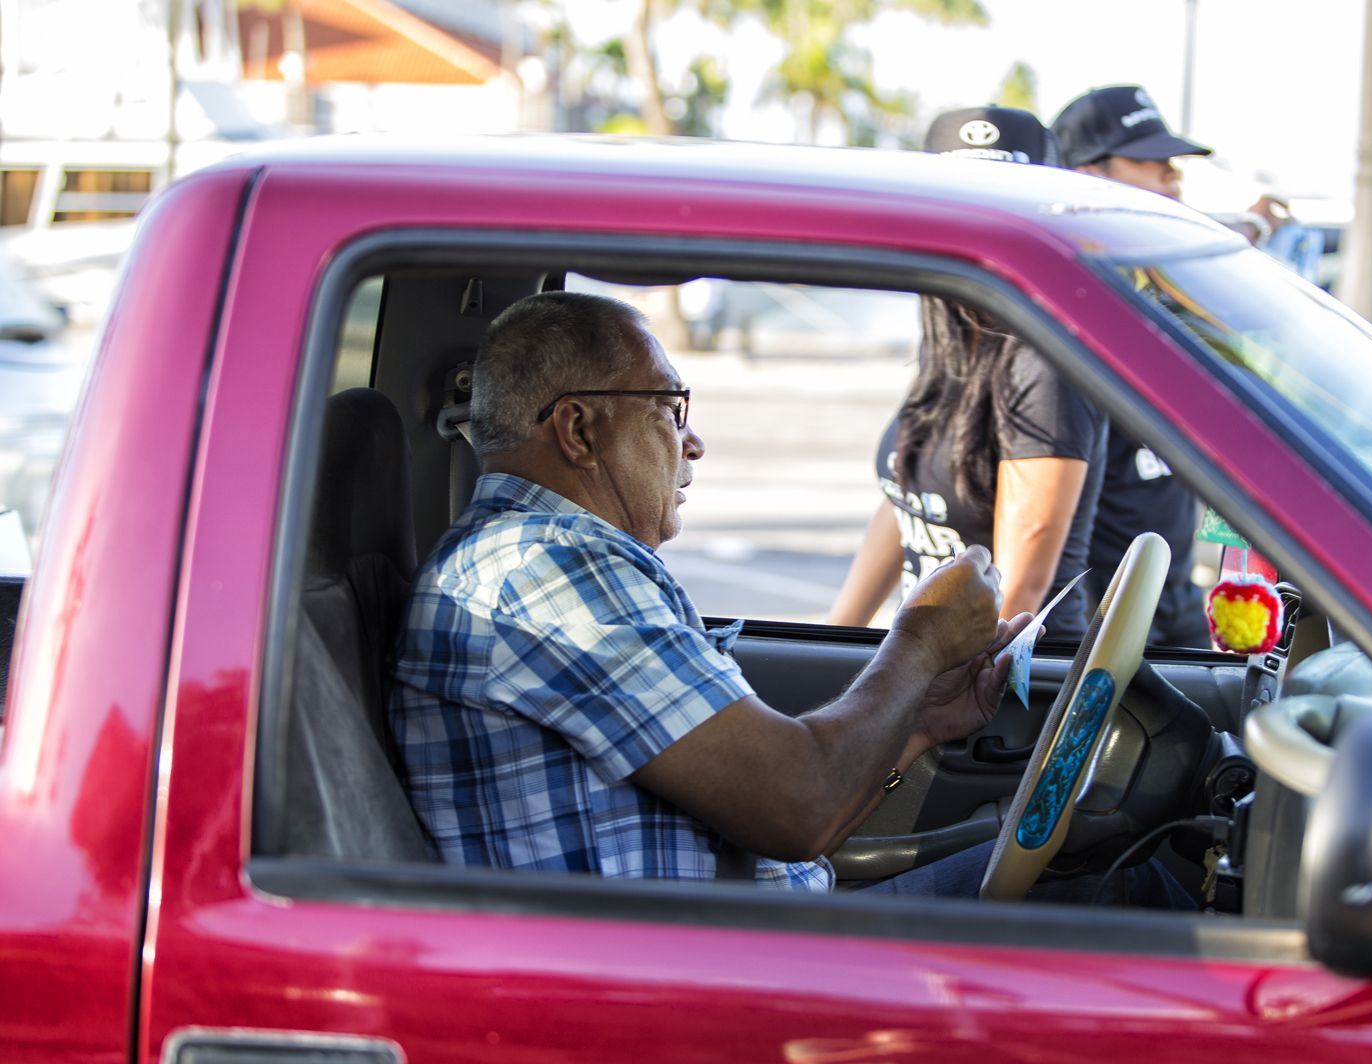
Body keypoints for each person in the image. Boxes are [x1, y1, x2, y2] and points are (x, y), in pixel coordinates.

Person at [389, 290, 1189, 909]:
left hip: (742, 935)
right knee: (1127, 882)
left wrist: (917, 723)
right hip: (702, 982)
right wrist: (918, 639)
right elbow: (795, 805)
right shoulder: (543, 572)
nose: (693, 441)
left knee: (1087, 859)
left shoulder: (556, 561)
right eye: (672, 410)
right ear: (578, 430)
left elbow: (780, 816)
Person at [828, 106, 1108, 642]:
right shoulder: (951, 335)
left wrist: (904, 695)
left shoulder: (1044, 362)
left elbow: (1014, 597)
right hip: (926, 660)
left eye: (1002, 204)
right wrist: (835, 639)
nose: (976, 227)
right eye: (958, 202)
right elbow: (910, 496)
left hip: (1000, 685)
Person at [1052, 85, 1218, 646]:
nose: (1172, 177)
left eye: (1173, 165)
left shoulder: (1159, 293)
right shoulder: (1064, 314)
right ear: (1089, 175)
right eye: (1153, 163)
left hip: (1176, 603)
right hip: (1103, 621)